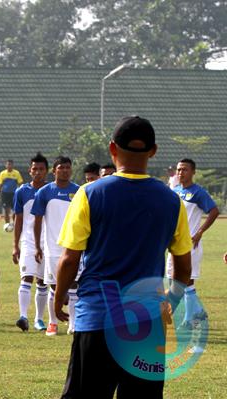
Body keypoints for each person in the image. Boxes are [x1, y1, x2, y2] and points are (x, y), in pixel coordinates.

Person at [54, 116, 192, 398]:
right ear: (153, 151)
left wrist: (58, 300)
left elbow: (70, 258)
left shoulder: (89, 194)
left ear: (112, 148)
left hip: (99, 317)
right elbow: (183, 267)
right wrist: (170, 304)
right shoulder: (172, 201)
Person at [166, 158, 219, 327]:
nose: (181, 172)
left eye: (185, 169)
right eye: (179, 169)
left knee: (186, 281)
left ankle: (190, 319)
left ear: (193, 172)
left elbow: (214, 211)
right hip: (174, 243)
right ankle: (197, 313)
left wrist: (200, 232)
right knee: (177, 280)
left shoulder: (198, 192)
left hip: (190, 243)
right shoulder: (175, 191)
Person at [31, 156, 79, 336]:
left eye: (68, 167)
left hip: (73, 246)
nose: (65, 170)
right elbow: (37, 220)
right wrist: (37, 246)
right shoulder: (44, 192)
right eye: (61, 167)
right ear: (54, 171)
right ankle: (52, 323)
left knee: (74, 284)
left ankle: (73, 324)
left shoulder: (79, 192)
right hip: (52, 247)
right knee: (54, 286)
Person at [12, 152, 49, 332]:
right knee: (26, 277)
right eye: (35, 169)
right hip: (28, 242)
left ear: (47, 171)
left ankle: (39, 319)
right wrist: (15, 245)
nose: (37, 172)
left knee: (42, 282)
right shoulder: (22, 191)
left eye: (41, 169)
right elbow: (18, 219)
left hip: (47, 242)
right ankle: (23, 316)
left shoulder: (51, 190)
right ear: (29, 170)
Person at [0, 160, 23, 228]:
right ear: (6, 165)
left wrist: (21, 193)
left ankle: (14, 223)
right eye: (8, 164)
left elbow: (20, 183)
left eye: (10, 164)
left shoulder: (16, 173)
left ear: (13, 165)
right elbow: (0, 184)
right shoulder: (2, 173)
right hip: (5, 194)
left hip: (14, 194)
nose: (9, 166)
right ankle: (7, 225)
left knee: (15, 210)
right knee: (6, 210)